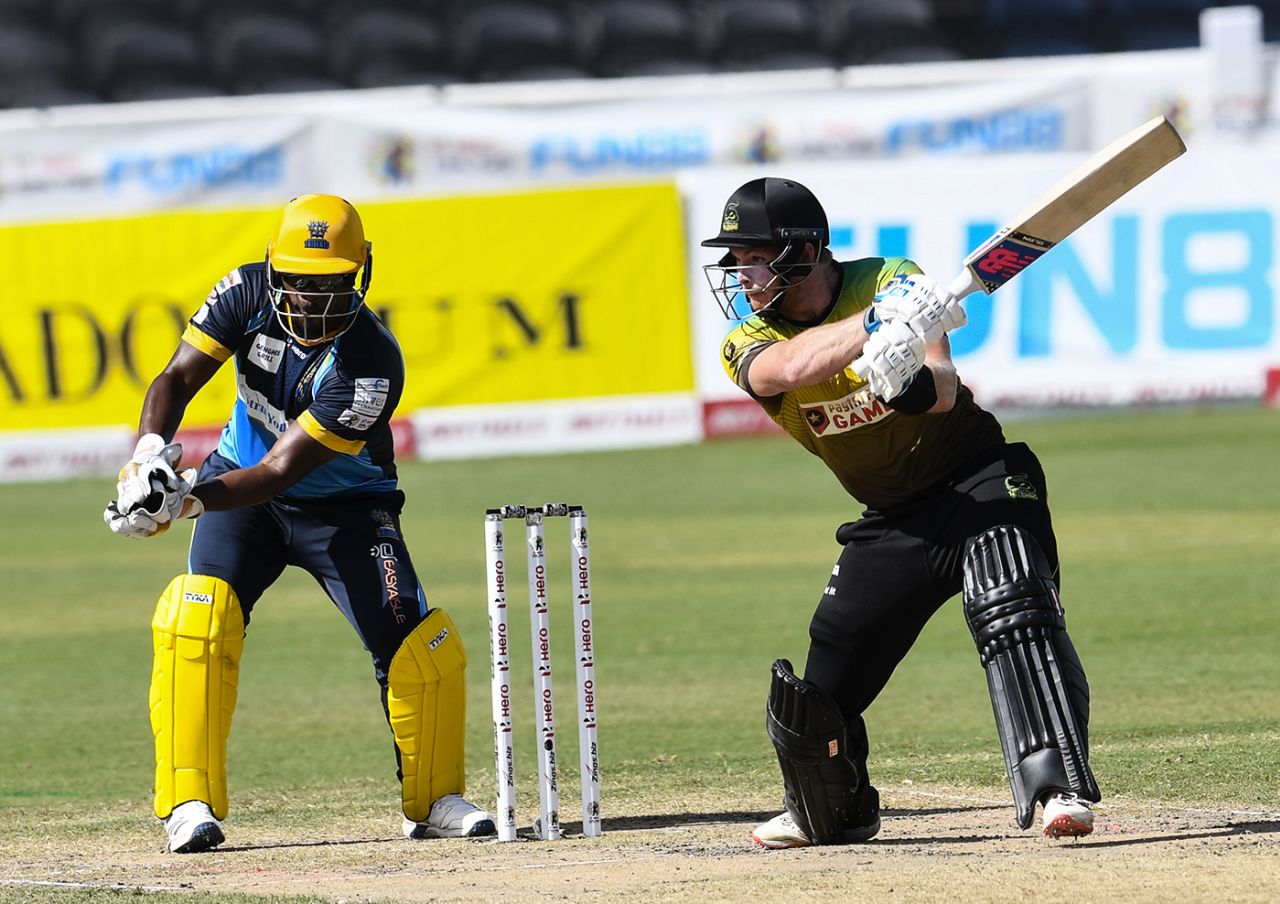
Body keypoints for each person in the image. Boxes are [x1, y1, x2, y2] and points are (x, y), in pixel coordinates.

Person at [700, 177, 1100, 849]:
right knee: (818, 691)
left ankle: (1059, 785)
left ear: (801, 252)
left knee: (1012, 600)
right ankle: (832, 810)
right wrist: (879, 326)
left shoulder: (892, 277)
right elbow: (788, 369)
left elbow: (946, 388)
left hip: (978, 479)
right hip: (892, 517)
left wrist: (913, 383)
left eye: (752, 257)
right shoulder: (750, 339)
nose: (742, 275)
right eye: (735, 261)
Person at [103, 194, 496, 853]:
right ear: (273, 271)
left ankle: (433, 800)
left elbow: (284, 471)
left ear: (359, 275)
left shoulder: (372, 363)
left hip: (344, 508)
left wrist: (184, 497)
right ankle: (189, 802)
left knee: (417, 642)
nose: (313, 300)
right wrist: (148, 458)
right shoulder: (242, 292)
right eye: (300, 284)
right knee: (197, 618)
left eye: (331, 285)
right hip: (241, 495)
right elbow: (176, 377)